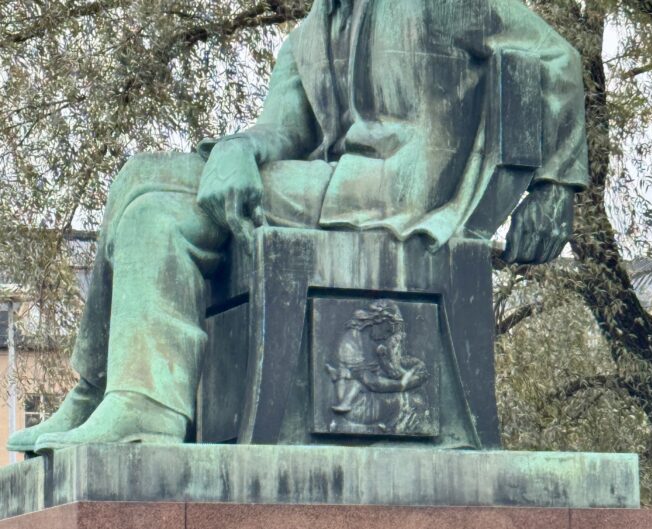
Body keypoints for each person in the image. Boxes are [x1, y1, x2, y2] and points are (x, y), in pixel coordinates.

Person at [8, 0, 588, 453]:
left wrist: (555, 187)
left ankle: (107, 393)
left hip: (403, 194)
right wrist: (237, 149)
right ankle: (132, 402)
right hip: (331, 188)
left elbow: (557, 58)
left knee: (149, 183)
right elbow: (283, 131)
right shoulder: (308, 36)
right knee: (149, 202)